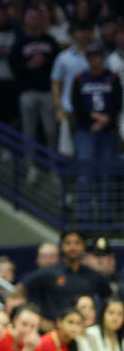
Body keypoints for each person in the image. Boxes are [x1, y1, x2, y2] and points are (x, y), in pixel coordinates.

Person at [71, 41, 122, 223]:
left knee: (106, 174)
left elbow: (117, 103)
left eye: (98, 56)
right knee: (85, 175)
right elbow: (76, 105)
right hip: (86, 131)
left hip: (107, 132)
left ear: (103, 57)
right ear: (87, 59)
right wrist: (94, 118)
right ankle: (83, 217)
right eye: (91, 56)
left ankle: (106, 217)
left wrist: (104, 121)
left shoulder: (112, 78)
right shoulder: (80, 79)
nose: (95, 59)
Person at [19, 230, 110, 324]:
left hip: (85, 331)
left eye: (77, 243)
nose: (73, 247)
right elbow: (19, 292)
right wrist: (41, 322)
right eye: (68, 243)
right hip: (53, 332)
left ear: (84, 246)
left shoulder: (94, 276)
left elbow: (110, 299)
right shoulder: (48, 273)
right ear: (61, 246)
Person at [10, 7, 59, 159]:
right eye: (31, 17)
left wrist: (45, 61)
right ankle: (31, 168)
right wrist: (28, 66)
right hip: (27, 92)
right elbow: (13, 67)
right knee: (29, 132)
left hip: (47, 92)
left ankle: (52, 168)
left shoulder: (50, 41)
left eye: (37, 17)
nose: (34, 20)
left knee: (51, 132)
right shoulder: (19, 42)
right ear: (25, 20)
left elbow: (58, 65)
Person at [51, 21, 93, 156]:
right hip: (68, 109)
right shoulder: (63, 57)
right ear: (74, 33)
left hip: (93, 110)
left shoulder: (97, 57)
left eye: (87, 30)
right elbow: (56, 83)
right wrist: (59, 108)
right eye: (80, 30)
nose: (83, 34)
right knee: (68, 152)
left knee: (90, 151)